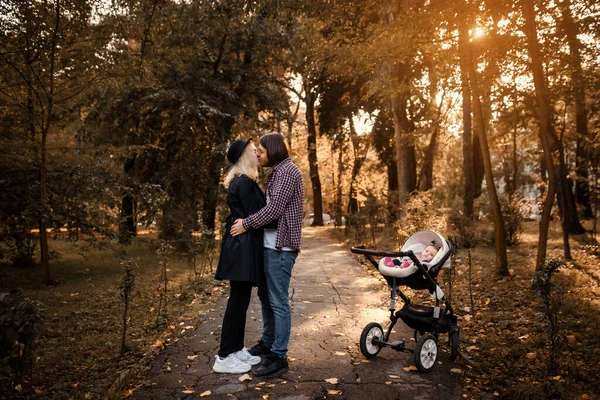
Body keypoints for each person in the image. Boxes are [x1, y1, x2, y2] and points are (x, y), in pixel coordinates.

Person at [230, 133, 304, 377]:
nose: (258, 154)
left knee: (278, 301)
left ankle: (279, 355)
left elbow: (273, 211)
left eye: (261, 149)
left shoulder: (287, 172)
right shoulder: (277, 173)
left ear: (273, 149)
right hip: (269, 246)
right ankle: (267, 340)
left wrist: (246, 224)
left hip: (281, 248)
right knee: (265, 297)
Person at [212, 138, 265, 374]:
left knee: (241, 300)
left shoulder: (243, 181)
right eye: (254, 151)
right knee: (237, 301)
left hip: (242, 245)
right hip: (241, 248)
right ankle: (224, 357)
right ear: (244, 156)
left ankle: (235, 349)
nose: (257, 154)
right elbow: (258, 215)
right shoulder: (243, 183)